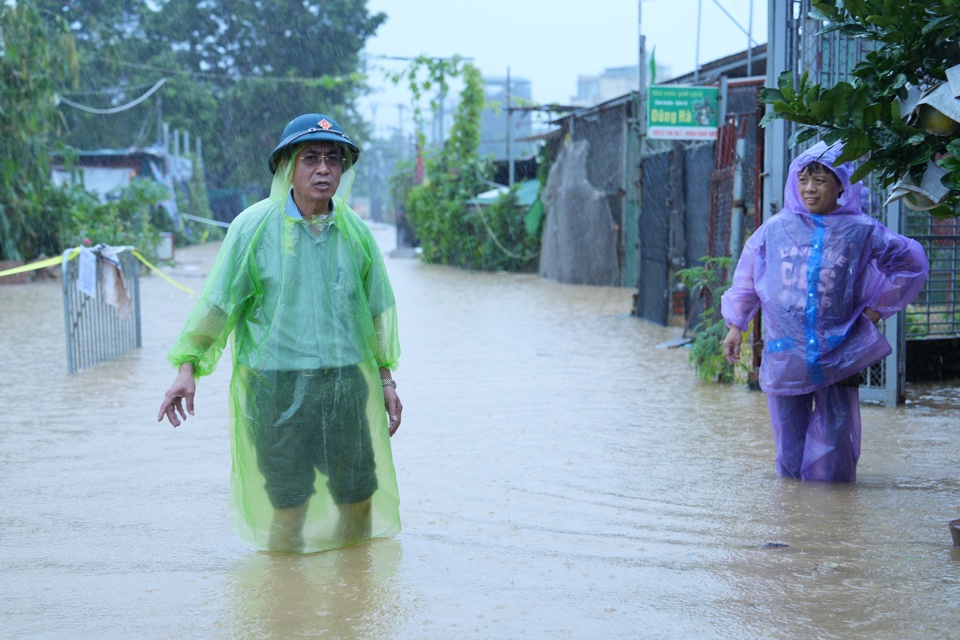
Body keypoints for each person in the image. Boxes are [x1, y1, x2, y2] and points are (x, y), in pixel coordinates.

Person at [157, 113, 403, 553]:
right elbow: (218, 305)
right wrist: (187, 367)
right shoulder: (252, 229)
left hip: (346, 383)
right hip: (277, 388)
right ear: (288, 165)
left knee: (358, 497)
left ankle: (353, 605)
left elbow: (379, 314)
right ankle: (284, 605)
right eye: (311, 158)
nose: (324, 169)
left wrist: (385, 380)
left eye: (333, 159)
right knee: (288, 504)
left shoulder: (357, 233)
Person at [720, 141, 928, 482]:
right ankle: (794, 518)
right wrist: (735, 326)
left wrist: (875, 312)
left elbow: (910, 263)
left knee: (837, 448)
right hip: (787, 353)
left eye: (819, 180)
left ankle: (835, 521)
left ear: (841, 184)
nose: (809, 188)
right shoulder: (776, 229)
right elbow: (746, 277)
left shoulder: (862, 230)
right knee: (789, 450)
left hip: (840, 350)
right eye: (803, 179)